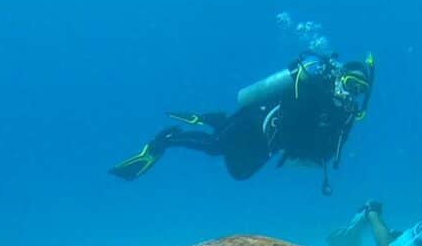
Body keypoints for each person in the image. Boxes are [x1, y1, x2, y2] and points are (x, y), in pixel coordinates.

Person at [109, 51, 375, 193]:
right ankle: (164, 141)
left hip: (271, 144)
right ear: (339, 78)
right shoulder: (313, 86)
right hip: (256, 120)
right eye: (350, 84)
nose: (352, 93)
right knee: (215, 146)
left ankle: (215, 120)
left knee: (239, 174)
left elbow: (327, 154)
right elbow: (291, 111)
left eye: (359, 90)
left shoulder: (345, 116)